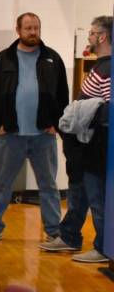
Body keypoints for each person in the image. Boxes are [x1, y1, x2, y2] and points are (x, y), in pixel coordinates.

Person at [0, 12, 68, 241]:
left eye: (36, 28)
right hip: (11, 135)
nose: (33, 32)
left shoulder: (53, 59)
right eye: (28, 28)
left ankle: (54, 232)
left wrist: (56, 124)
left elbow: (63, 95)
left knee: (49, 186)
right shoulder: (3, 59)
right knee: (2, 184)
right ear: (18, 30)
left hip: (44, 135)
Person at [41, 15, 112, 263]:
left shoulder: (108, 68)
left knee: (97, 201)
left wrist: (79, 113)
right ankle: (70, 236)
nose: (89, 37)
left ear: (102, 37)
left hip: (95, 149)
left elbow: (107, 110)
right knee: (79, 195)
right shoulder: (100, 66)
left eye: (92, 33)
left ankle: (104, 249)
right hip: (83, 149)